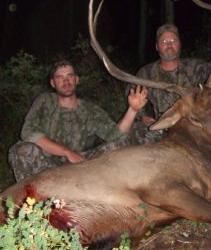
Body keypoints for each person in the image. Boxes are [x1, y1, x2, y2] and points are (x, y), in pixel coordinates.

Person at [9, 60, 148, 182]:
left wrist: (133, 110)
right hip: (48, 163)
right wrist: (67, 152)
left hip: (82, 163)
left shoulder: (90, 109)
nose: (66, 81)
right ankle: (31, 201)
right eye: (59, 77)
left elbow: (115, 135)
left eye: (70, 76)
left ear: (77, 80)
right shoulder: (44, 101)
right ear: (52, 83)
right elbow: (27, 132)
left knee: (121, 143)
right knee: (21, 150)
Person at [126, 24, 211, 144]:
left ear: (180, 44)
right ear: (157, 46)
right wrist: (142, 116)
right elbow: (131, 95)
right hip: (161, 127)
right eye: (164, 41)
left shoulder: (196, 67)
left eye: (173, 40)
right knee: (136, 132)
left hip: (194, 125)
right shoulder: (146, 73)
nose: (169, 44)